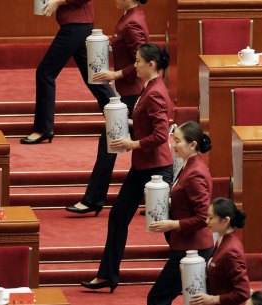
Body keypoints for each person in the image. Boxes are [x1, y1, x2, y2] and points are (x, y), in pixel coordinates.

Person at [80, 42, 174, 292]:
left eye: (138, 61)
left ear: (151, 65)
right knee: (118, 216)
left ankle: (198, 265)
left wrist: (132, 143)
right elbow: (148, 123)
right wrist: (124, 120)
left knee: (168, 228)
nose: (135, 66)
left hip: (156, 170)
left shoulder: (154, 93)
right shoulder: (151, 88)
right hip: (144, 167)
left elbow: (161, 135)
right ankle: (108, 275)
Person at [65, 0, 150, 215]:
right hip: (130, 91)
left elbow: (143, 61)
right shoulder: (132, 15)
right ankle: (158, 198)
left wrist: (116, 74)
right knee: (144, 147)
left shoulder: (131, 23)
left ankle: (93, 199)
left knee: (110, 143)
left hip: (131, 94)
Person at [21, 0, 115, 145]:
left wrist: (58, 2)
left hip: (75, 27)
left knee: (45, 73)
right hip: (79, 25)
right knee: (95, 77)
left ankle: (43, 129)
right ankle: (121, 122)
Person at [147, 121, 214, 305]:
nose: (173, 144)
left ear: (192, 145)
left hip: (192, 249)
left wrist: (172, 224)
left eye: (177, 141)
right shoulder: (189, 165)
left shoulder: (195, 174)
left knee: (157, 299)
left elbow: (203, 217)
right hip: (187, 245)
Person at [190, 198, 250, 305]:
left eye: (211, 217)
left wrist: (212, 299)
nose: (207, 221)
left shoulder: (231, 251)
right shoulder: (222, 240)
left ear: (226, 221)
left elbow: (243, 292)